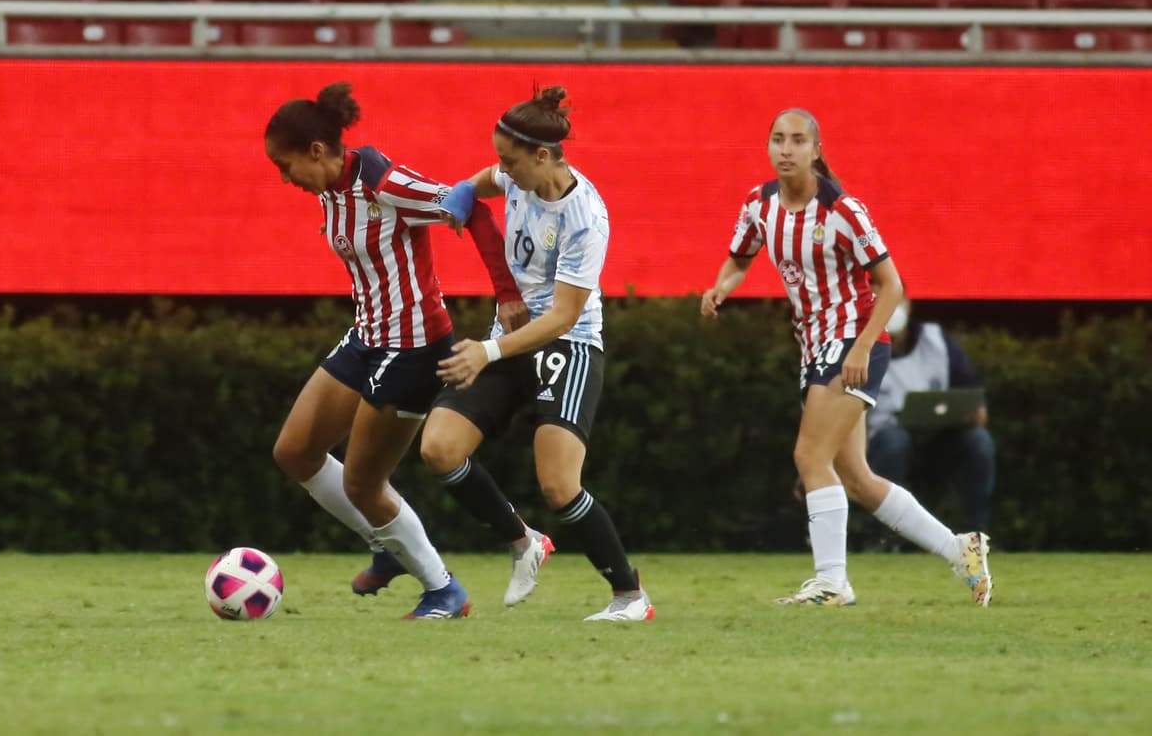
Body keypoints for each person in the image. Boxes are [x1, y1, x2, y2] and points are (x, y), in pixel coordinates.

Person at [700, 108, 992, 607]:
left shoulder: (842, 210)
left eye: (798, 140)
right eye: (778, 139)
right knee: (856, 476)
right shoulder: (759, 204)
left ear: (816, 150)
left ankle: (833, 582)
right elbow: (740, 258)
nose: (786, 149)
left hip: (853, 339)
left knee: (809, 457)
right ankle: (959, 549)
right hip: (815, 344)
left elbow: (891, 285)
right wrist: (720, 287)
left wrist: (860, 347)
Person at [263, 82, 527, 619]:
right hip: (367, 337)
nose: (285, 179)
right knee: (294, 452)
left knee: (363, 483)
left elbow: (470, 208)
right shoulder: (330, 188)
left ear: (316, 150)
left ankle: (444, 591)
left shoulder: (385, 184)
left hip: (413, 350)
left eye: (285, 166)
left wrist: (506, 294)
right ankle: (388, 545)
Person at [418, 84, 655, 622]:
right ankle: (523, 541)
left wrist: (487, 351)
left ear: (543, 157)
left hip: (568, 345)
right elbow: (488, 178)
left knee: (558, 485)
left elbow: (563, 317)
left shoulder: (585, 218)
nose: (503, 171)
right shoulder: (517, 175)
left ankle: (630, 597)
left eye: (511, 161)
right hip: (509, 339)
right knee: (439, 447)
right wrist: (463, 189)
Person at [867, 287, 996, 535]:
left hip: (940, 440)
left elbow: (973, 398)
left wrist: (972, 413)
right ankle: (884, 538)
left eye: (893, 298)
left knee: (979, 441)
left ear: (908, 304)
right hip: (884, 445)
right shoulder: (857, 347)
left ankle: (975, 536)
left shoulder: (936, 341)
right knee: (895, 443)